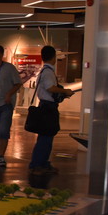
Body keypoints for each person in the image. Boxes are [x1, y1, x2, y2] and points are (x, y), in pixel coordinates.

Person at [29, 45, 74, 175]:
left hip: (45, 106)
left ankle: (41, 163)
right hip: (48, 108)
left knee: (45, 137)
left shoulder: (44, 71)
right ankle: (38, 165)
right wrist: (65, 91)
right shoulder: (48, 72)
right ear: (54, 57)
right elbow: (50, 87)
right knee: (46, 138)